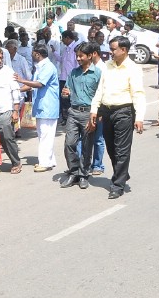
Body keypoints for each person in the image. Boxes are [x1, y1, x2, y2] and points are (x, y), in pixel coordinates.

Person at [88, 37, 146, 199]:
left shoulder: (133, 69)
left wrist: (139, 117)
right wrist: (95, 110)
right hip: (107, 111)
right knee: (111, 147)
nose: (111, 52)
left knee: (122, 149)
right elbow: (100, 89)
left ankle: (118, 184)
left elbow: (138, 94)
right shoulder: (107, 66)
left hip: (124, 112)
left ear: (124, 50)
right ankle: (122, 173)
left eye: (113, 49)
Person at [60, 43, 102, 189]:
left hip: (89, 114)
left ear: (90, 56)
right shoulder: (73, 73)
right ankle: (73, 172)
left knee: (86, 146)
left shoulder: (98, 74)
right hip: (73, 112)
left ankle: (84, 174)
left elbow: (101, 95)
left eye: (81, 56)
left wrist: (98, 115)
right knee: (69, 144)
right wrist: (65, 93)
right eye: (76, 55)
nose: (78, 58)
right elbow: (66, 90)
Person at [15, 45, 60, 172]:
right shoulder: (40, 67)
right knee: (43, 134)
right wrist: (17, 89)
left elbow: (39, 84)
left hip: (47, 106)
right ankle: (49, 160)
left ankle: (45, 163)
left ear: (37, 54)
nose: (31, 55)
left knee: (46, 134)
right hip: (41, 106)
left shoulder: (48, 67)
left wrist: (22, 80)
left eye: (33, 53)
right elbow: (31, 85)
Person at [0, 46, 23, 175]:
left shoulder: (8, 72)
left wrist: (16, 111)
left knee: (7, 138)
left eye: (1, 58)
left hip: (6, 111)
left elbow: (16, 91)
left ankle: (16, 162)